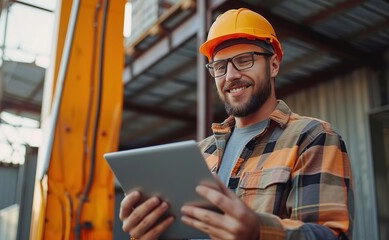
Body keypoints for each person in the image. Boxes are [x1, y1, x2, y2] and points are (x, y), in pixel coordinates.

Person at [119, 8, 354, 240]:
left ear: (273, 65)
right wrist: (150, 232)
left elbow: (332, 235)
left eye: (244, 60)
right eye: (220, 67)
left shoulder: (311, 137)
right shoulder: (201, 153)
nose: (230, 75)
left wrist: (258, 231)